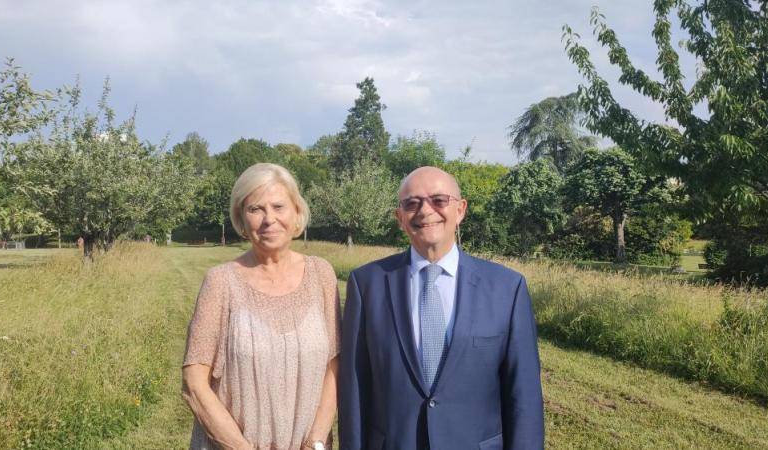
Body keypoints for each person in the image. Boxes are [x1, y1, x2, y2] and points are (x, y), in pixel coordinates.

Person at [338, 166, 544, 450]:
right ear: (400, 218)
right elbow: (354, 388)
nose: (425, 211)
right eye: (412, 203)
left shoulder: (507, 288)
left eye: (439, 200)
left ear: (460, 210)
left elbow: (525, 397)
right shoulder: (366, 285)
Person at [182, 163, 340, 450]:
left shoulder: (322, 275)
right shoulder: (221, 282)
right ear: (241, 219)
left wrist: (316, 441)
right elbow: (194, 384)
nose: (269, 219)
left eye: (279, 207)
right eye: (256, 209)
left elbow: (335, 365)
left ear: (296, 213)